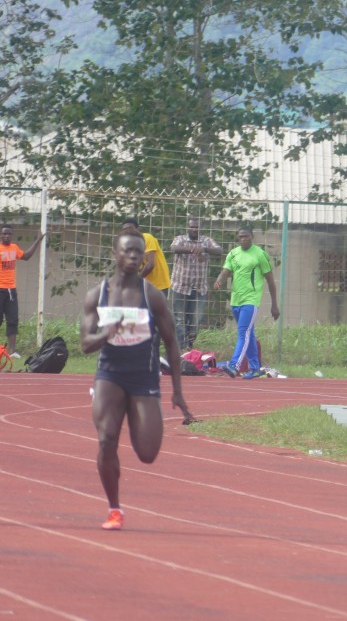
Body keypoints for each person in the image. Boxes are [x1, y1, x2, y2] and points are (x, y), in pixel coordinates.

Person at [80, 228, 195, 531]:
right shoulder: (98, 295)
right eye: (127, 251)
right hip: (110, 375)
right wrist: (108, 332)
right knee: (106, 441)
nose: (133, 256)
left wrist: (178, 392)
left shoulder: (151, 295)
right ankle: (114, 509)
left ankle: (135, 415)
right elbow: (85, 343)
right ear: (114, 254)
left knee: (147, 453)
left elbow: (171, 342)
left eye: (137, 252)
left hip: (144, 378)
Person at [213, 227, 280, 379]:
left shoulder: (260, 255)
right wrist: (218, 282)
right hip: (236, 300)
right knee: (249, 333)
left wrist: (274, 305)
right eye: (241, 237)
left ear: (252, 237)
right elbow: (225, 272)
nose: (243, 239)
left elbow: (270, 280)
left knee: (243, 333)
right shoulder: (233, 253)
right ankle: (255, 368)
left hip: (251, 300)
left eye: (246, 236)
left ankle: (234, 365)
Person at [169, 217, 223, 351]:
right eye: (191, 226)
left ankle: (189, 346)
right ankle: (181, 350)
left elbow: (219, 251)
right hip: (180, 287)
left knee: (195, 321)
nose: (194, 229)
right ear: (187, 227)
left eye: (196, 227)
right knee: (179, 319)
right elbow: (173, 248)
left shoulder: (206, 241)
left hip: (199, 289)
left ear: (200, 228)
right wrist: (193, 250)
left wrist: (204, 249)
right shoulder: (180, 239)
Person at [0, 225, 46, 358]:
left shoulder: (14, 248)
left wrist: (37, 241)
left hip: (11, 291)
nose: (6, 236)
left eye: (9, 234)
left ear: (12, 236)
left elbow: (26, 256)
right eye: (4, 234)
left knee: (13, 320)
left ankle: (12, 351)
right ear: (1, 236)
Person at [122, 218, 171, 296]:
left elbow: (150, 264)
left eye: (130, 228)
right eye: (125, 230)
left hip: (158, 284)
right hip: (144, 285)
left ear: (138, 229)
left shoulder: (147, 238)